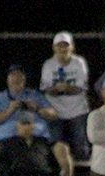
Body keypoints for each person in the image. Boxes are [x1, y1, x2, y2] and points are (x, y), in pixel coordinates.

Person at [0, 64, 70, 176]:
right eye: (13, 75)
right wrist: (9, 110)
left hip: (38, 140)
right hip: (9, 140)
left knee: (62, 148)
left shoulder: (35, 95)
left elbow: (53, 115)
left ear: (24, 79)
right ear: (8, 79)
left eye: (20, 75)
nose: (16, 78)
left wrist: (37, 108)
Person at [40, 31, 90, 162]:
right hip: (55, 111)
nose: (63, 49)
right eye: (59, 46)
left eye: (66, 45)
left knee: (81, 147)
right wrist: (57, 89)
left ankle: (82, 171)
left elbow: (82, 87)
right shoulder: (48, 65)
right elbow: (45, 88)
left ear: (72, 47)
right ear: (54, 48)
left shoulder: (79, 63)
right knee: (55, 145)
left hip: (77, 110)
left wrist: (66, 88)